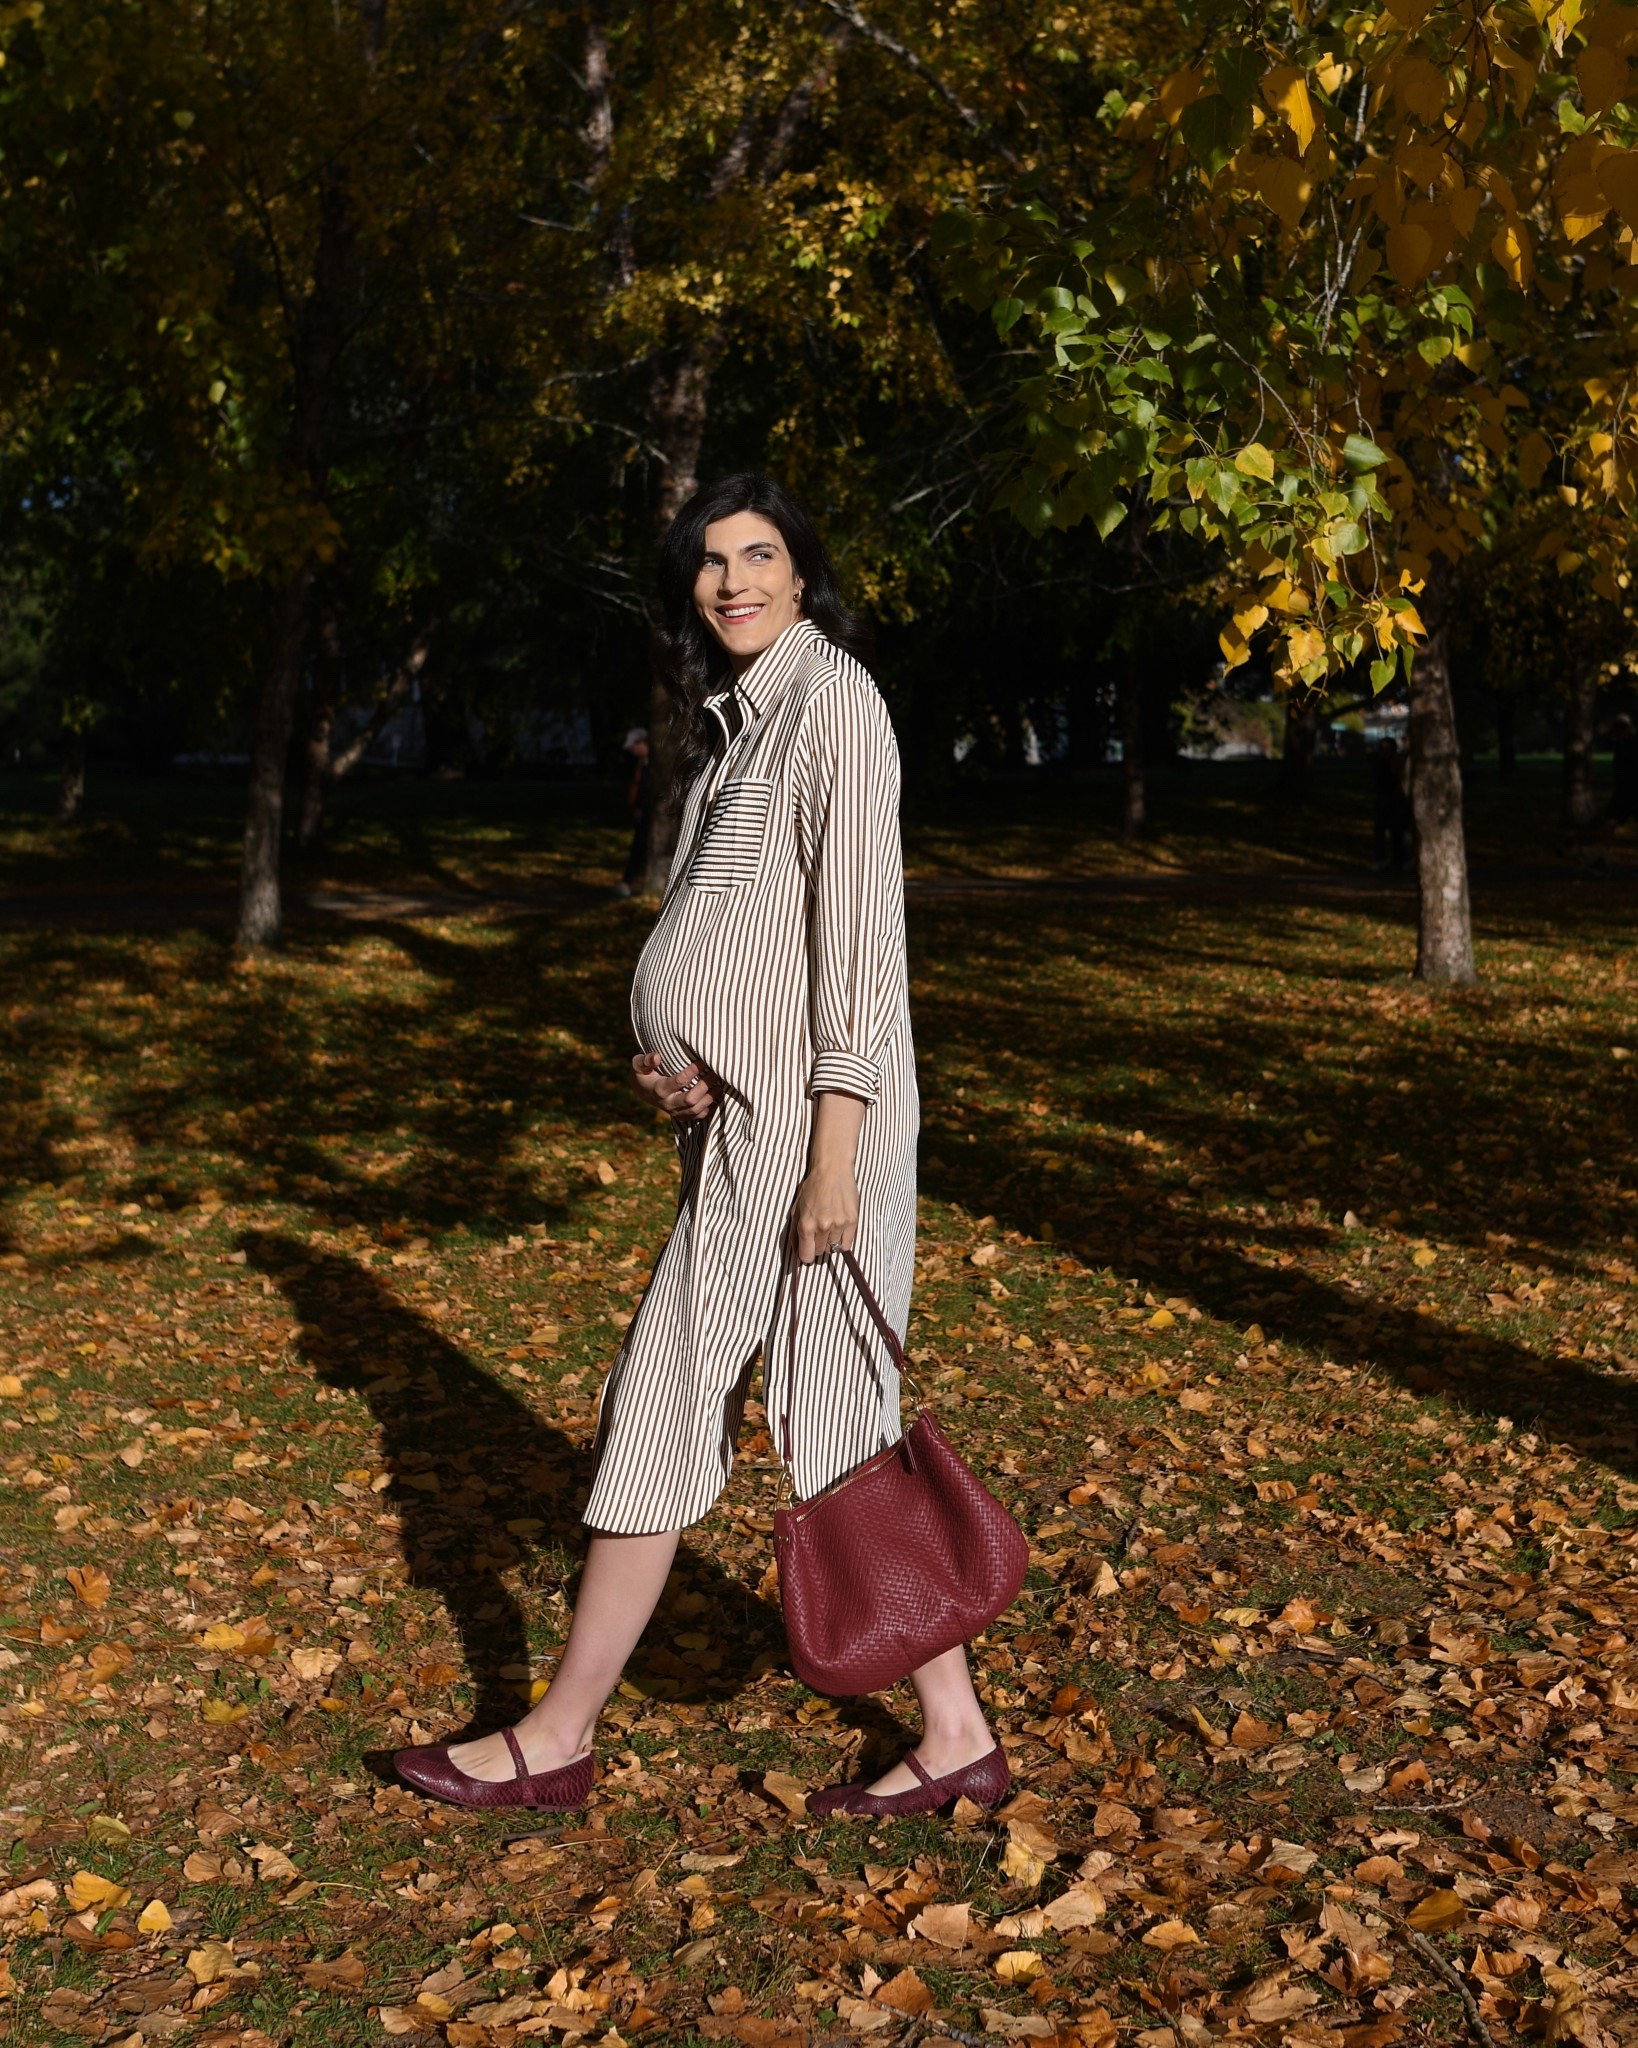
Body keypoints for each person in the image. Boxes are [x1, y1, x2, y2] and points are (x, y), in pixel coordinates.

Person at [393, 474, 1006, 1820]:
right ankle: (955, 1733)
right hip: (743, 1121)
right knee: (833, 1420)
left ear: (802, 574)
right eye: (710, 562)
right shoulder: (741, 726)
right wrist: (680, 1058)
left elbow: (862, 954)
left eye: (758, 555)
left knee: (669, 1399)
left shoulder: (832, 706)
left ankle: (556, 1737)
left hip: (805, 1138)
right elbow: (744, 946)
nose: (731, 579)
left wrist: (832, 1161)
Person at [611, 726, 651, 897]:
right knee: (638, 848)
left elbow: (647, 790)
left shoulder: (653, 766)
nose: (632, 752)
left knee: (640, 847)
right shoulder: (641, 764)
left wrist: (643, 808)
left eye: (634, 747)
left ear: (642, 743)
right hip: (641, 814)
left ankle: (630, 882)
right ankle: (629, 881)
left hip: (648, 815)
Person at [1371, 733, 1410, 871]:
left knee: (1397, 832)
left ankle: (1400, 860)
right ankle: (1384, 859)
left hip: (1395, 802)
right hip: (1385, 801)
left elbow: (1398, 781)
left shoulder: (1395, 762)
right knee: (1382, 830)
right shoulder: (1380, 763)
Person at [1609, 712, 1638, 827]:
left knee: (1612, 817)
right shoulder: (1620, 744)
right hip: (1625, 788)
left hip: (1629, 788)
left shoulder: (1629, 744)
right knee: (1612, 817)